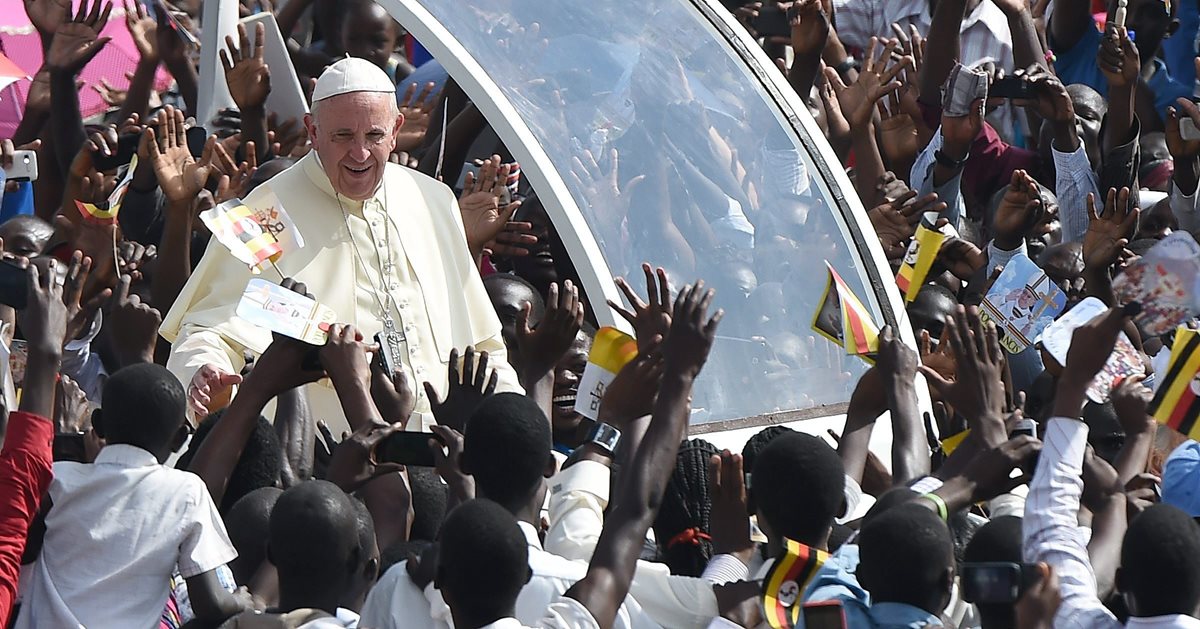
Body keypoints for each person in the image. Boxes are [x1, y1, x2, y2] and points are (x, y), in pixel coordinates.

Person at [162, 56, 521, 433]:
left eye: (375, 136)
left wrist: (512, 423)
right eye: (344, 136)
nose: (361, 154)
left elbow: (482, 345)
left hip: (443, 449)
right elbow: (209, 328)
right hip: (327, 457)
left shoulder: (434, 200)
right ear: (313, 132)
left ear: (396, 130)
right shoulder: (262, 215)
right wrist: (204, 372)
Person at [16, 363, 250, 628]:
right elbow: (212, 604)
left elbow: (21, 552)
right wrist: (243, 600)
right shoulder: (187, 492)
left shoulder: (58, 480)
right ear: (179, 438)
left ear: (99, 425)